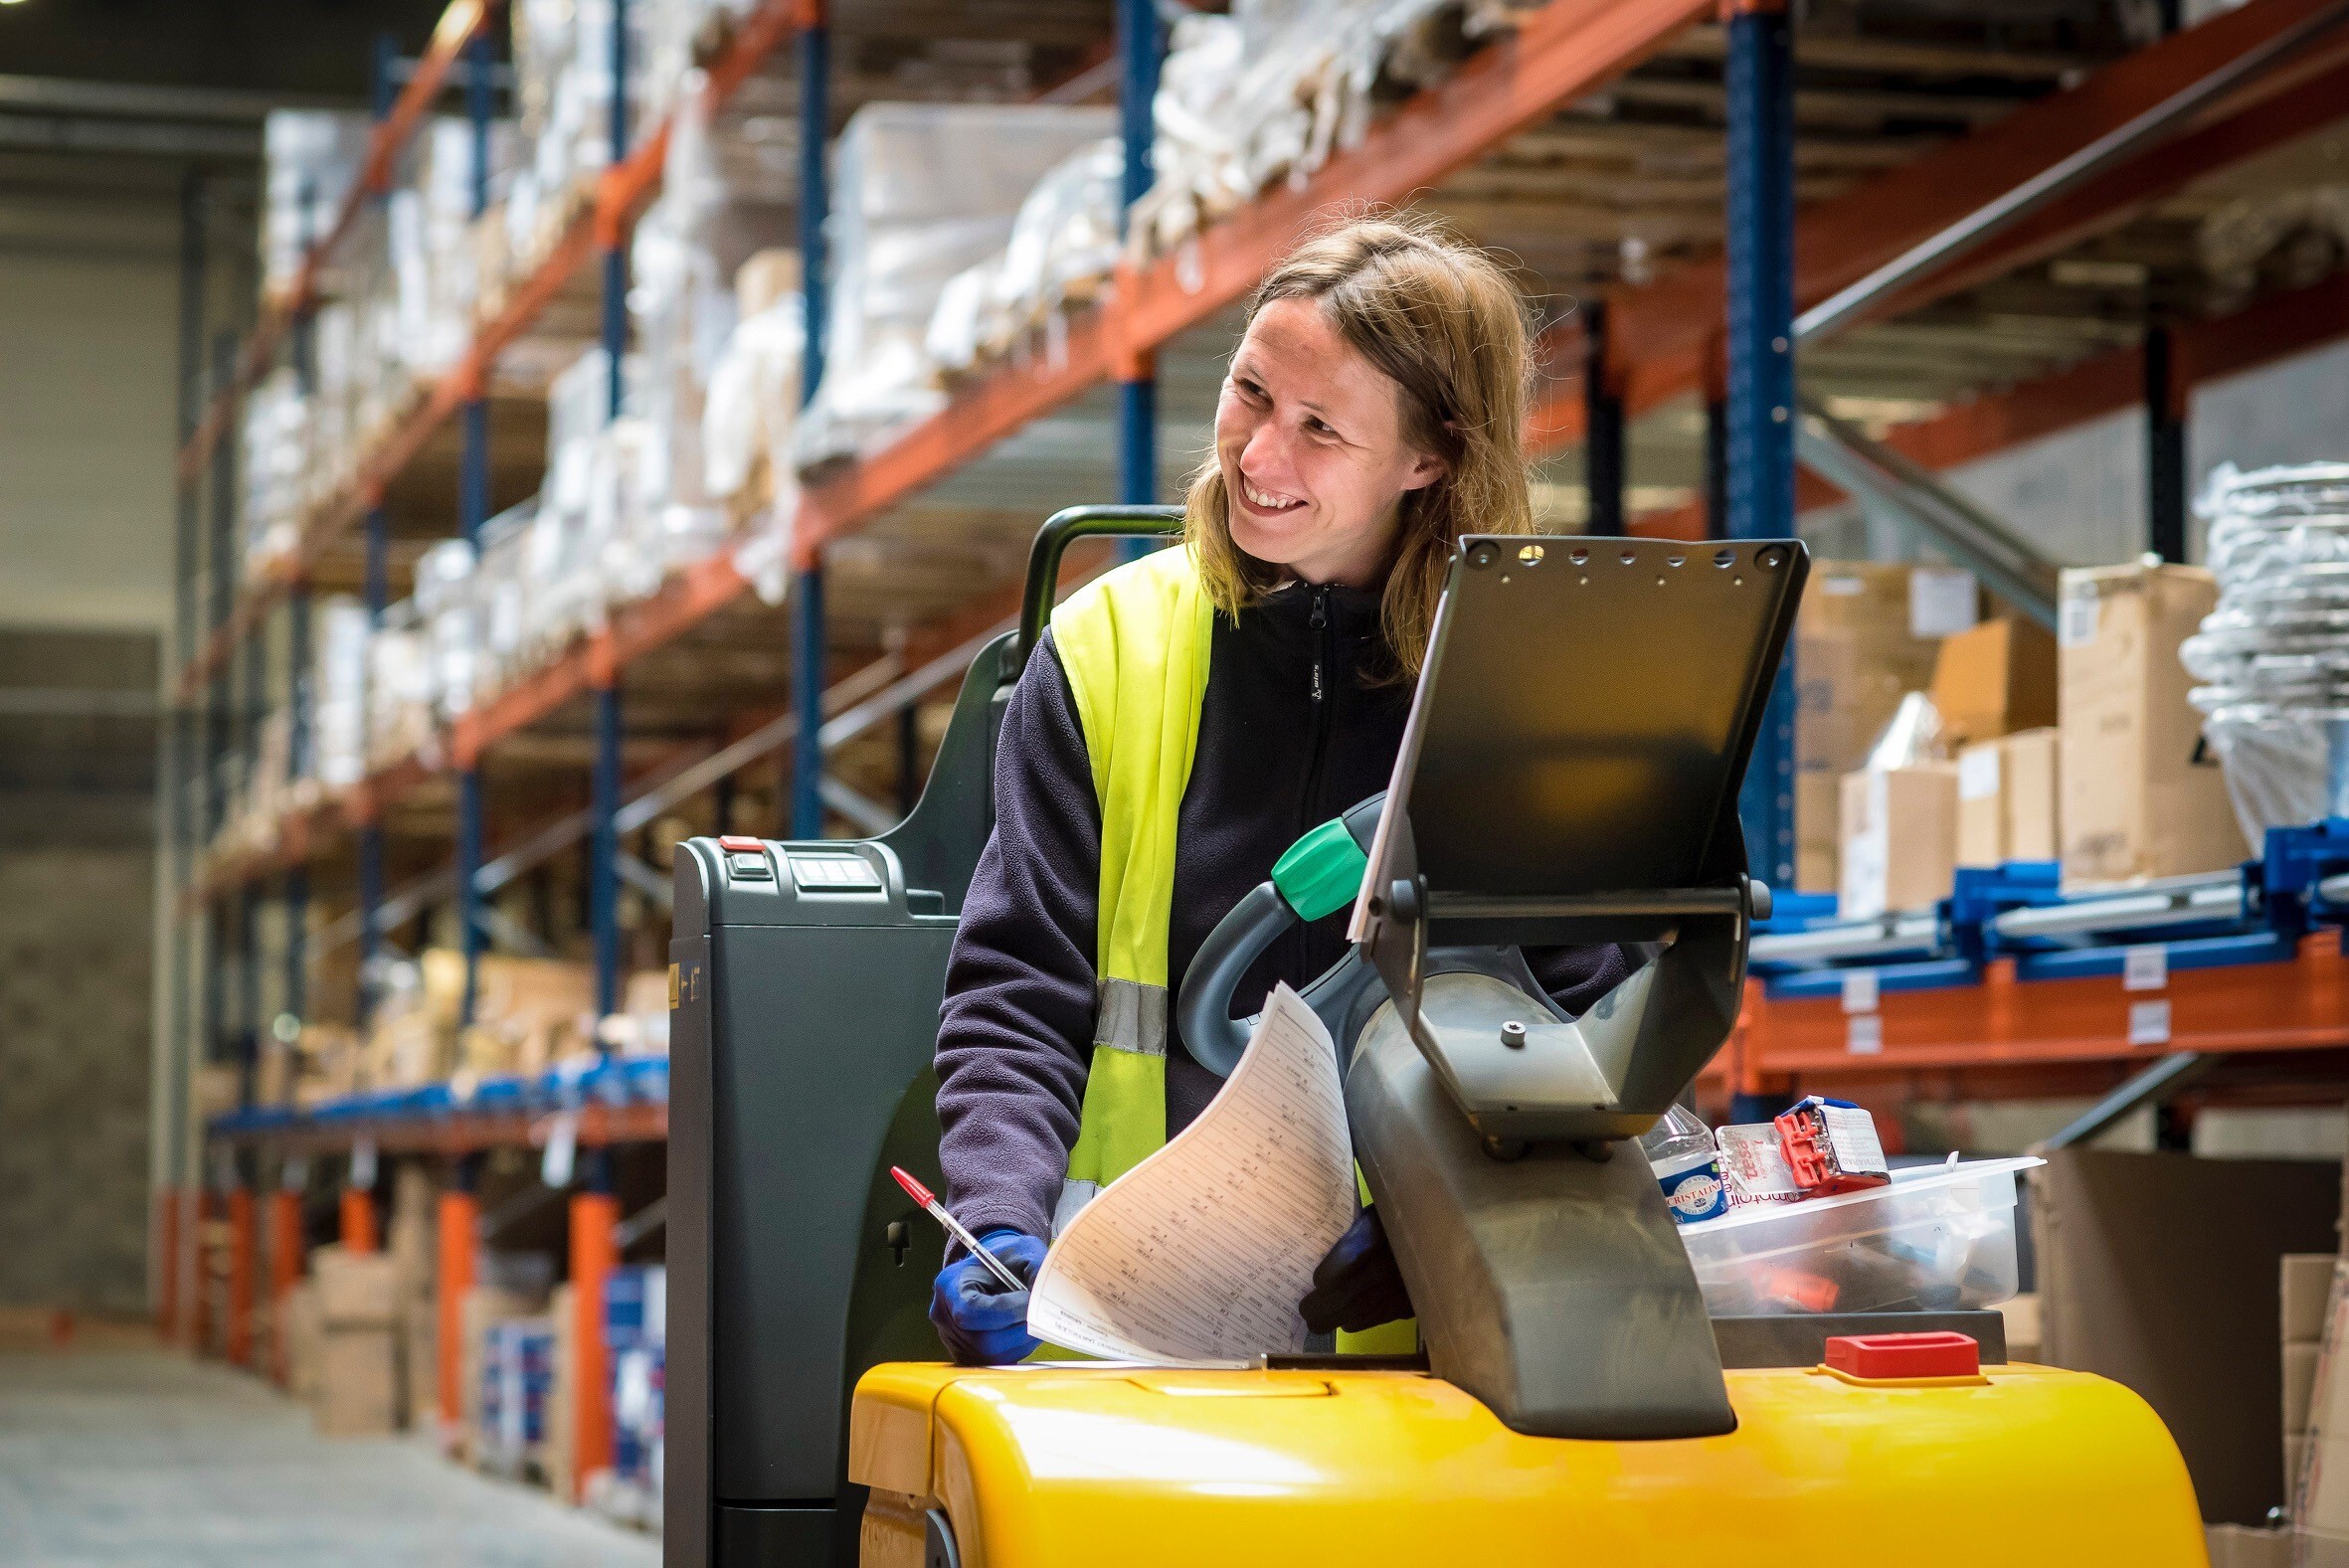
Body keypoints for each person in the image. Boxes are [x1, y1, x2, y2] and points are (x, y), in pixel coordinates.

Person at [928, 212, 1633, 1365]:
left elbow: (1590, 1018)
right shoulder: (1109, 643)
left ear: (1429, 457)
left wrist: (1445, 1217)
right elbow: (1019, 981)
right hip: (1127, 1335)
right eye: (1251, 393)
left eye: (1319, 428)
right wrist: (998, 1218)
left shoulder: (1515, 690)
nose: (1258, 457)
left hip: (1436, 1343)